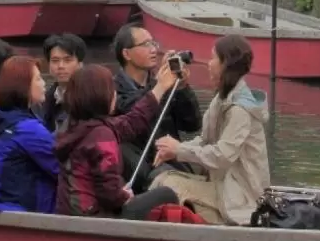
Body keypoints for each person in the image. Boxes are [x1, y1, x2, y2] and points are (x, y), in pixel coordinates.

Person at [150, 35, 271, 226]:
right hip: (222, 184)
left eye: (213, 58)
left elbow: (222, 155)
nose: (208, 63)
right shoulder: (222, 98)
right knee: (162, 179)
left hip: (239, 194)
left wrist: (179, 151)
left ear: (226, 65)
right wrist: (173, 150)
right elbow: (206, 140)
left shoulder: (240, 109)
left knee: (169, 187)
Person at [55, 62, 181, 220]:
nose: (115, 94)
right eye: (111, 89)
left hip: (70, 212)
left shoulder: (72, 126)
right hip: (95, 217)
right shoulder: (101, 135)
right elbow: (109, 194)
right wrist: (124, 196)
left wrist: (160, 87)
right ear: (100, 95)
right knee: (166, 194)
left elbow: (131, 122)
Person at [112, 23, 201, 191]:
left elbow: (192, 125)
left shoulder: (163, 85)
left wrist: (182, 88)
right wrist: (158, 88)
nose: (153, 49)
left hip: (171, 166)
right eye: (146, 45)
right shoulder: (111, 88)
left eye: (154, 44)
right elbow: (129, 110)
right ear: (126, 53)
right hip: (136, 173)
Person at [0, 56, 59, 214]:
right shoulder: (28, 130)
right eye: (38, 79)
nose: (44, 84)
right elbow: (60, 168)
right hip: (24, 214)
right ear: (23, 87)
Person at [41, 34, 86, 133]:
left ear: (80, 63)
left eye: (68, 60)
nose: (61, 66)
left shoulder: (90, 98)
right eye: (55, 61)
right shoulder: (45, 99)